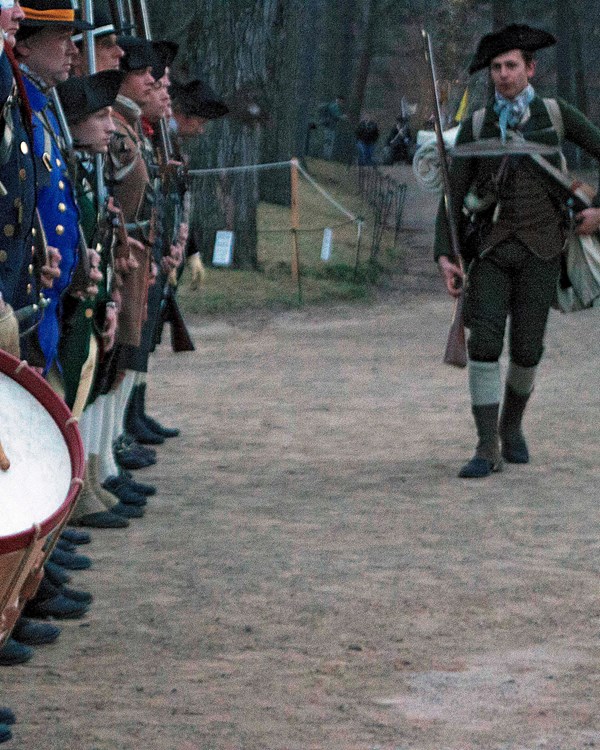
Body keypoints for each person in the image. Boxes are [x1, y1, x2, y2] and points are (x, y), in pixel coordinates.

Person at [433, 24, 600, 479]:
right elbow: (453, 193)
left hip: (544, 251)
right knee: (484, 344)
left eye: (511, 66)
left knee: (527, 349)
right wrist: (447, 255)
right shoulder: (475, 127)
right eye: (495, 67)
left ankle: (511, 426)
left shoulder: (555, 114)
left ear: (530, 68)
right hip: (488, 252)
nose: (503, 75)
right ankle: (486, 446)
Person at [319, 95, 346, 160]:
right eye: (341, 101)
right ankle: (326, 156)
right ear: (338, 100)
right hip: (330, 126)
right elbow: (337, 116)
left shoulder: (333, 106)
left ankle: (326, 156)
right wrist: (343, 117)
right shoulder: (334, 106)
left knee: (328, 141)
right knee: (328, 141)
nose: (341, 103)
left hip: (329, 126)